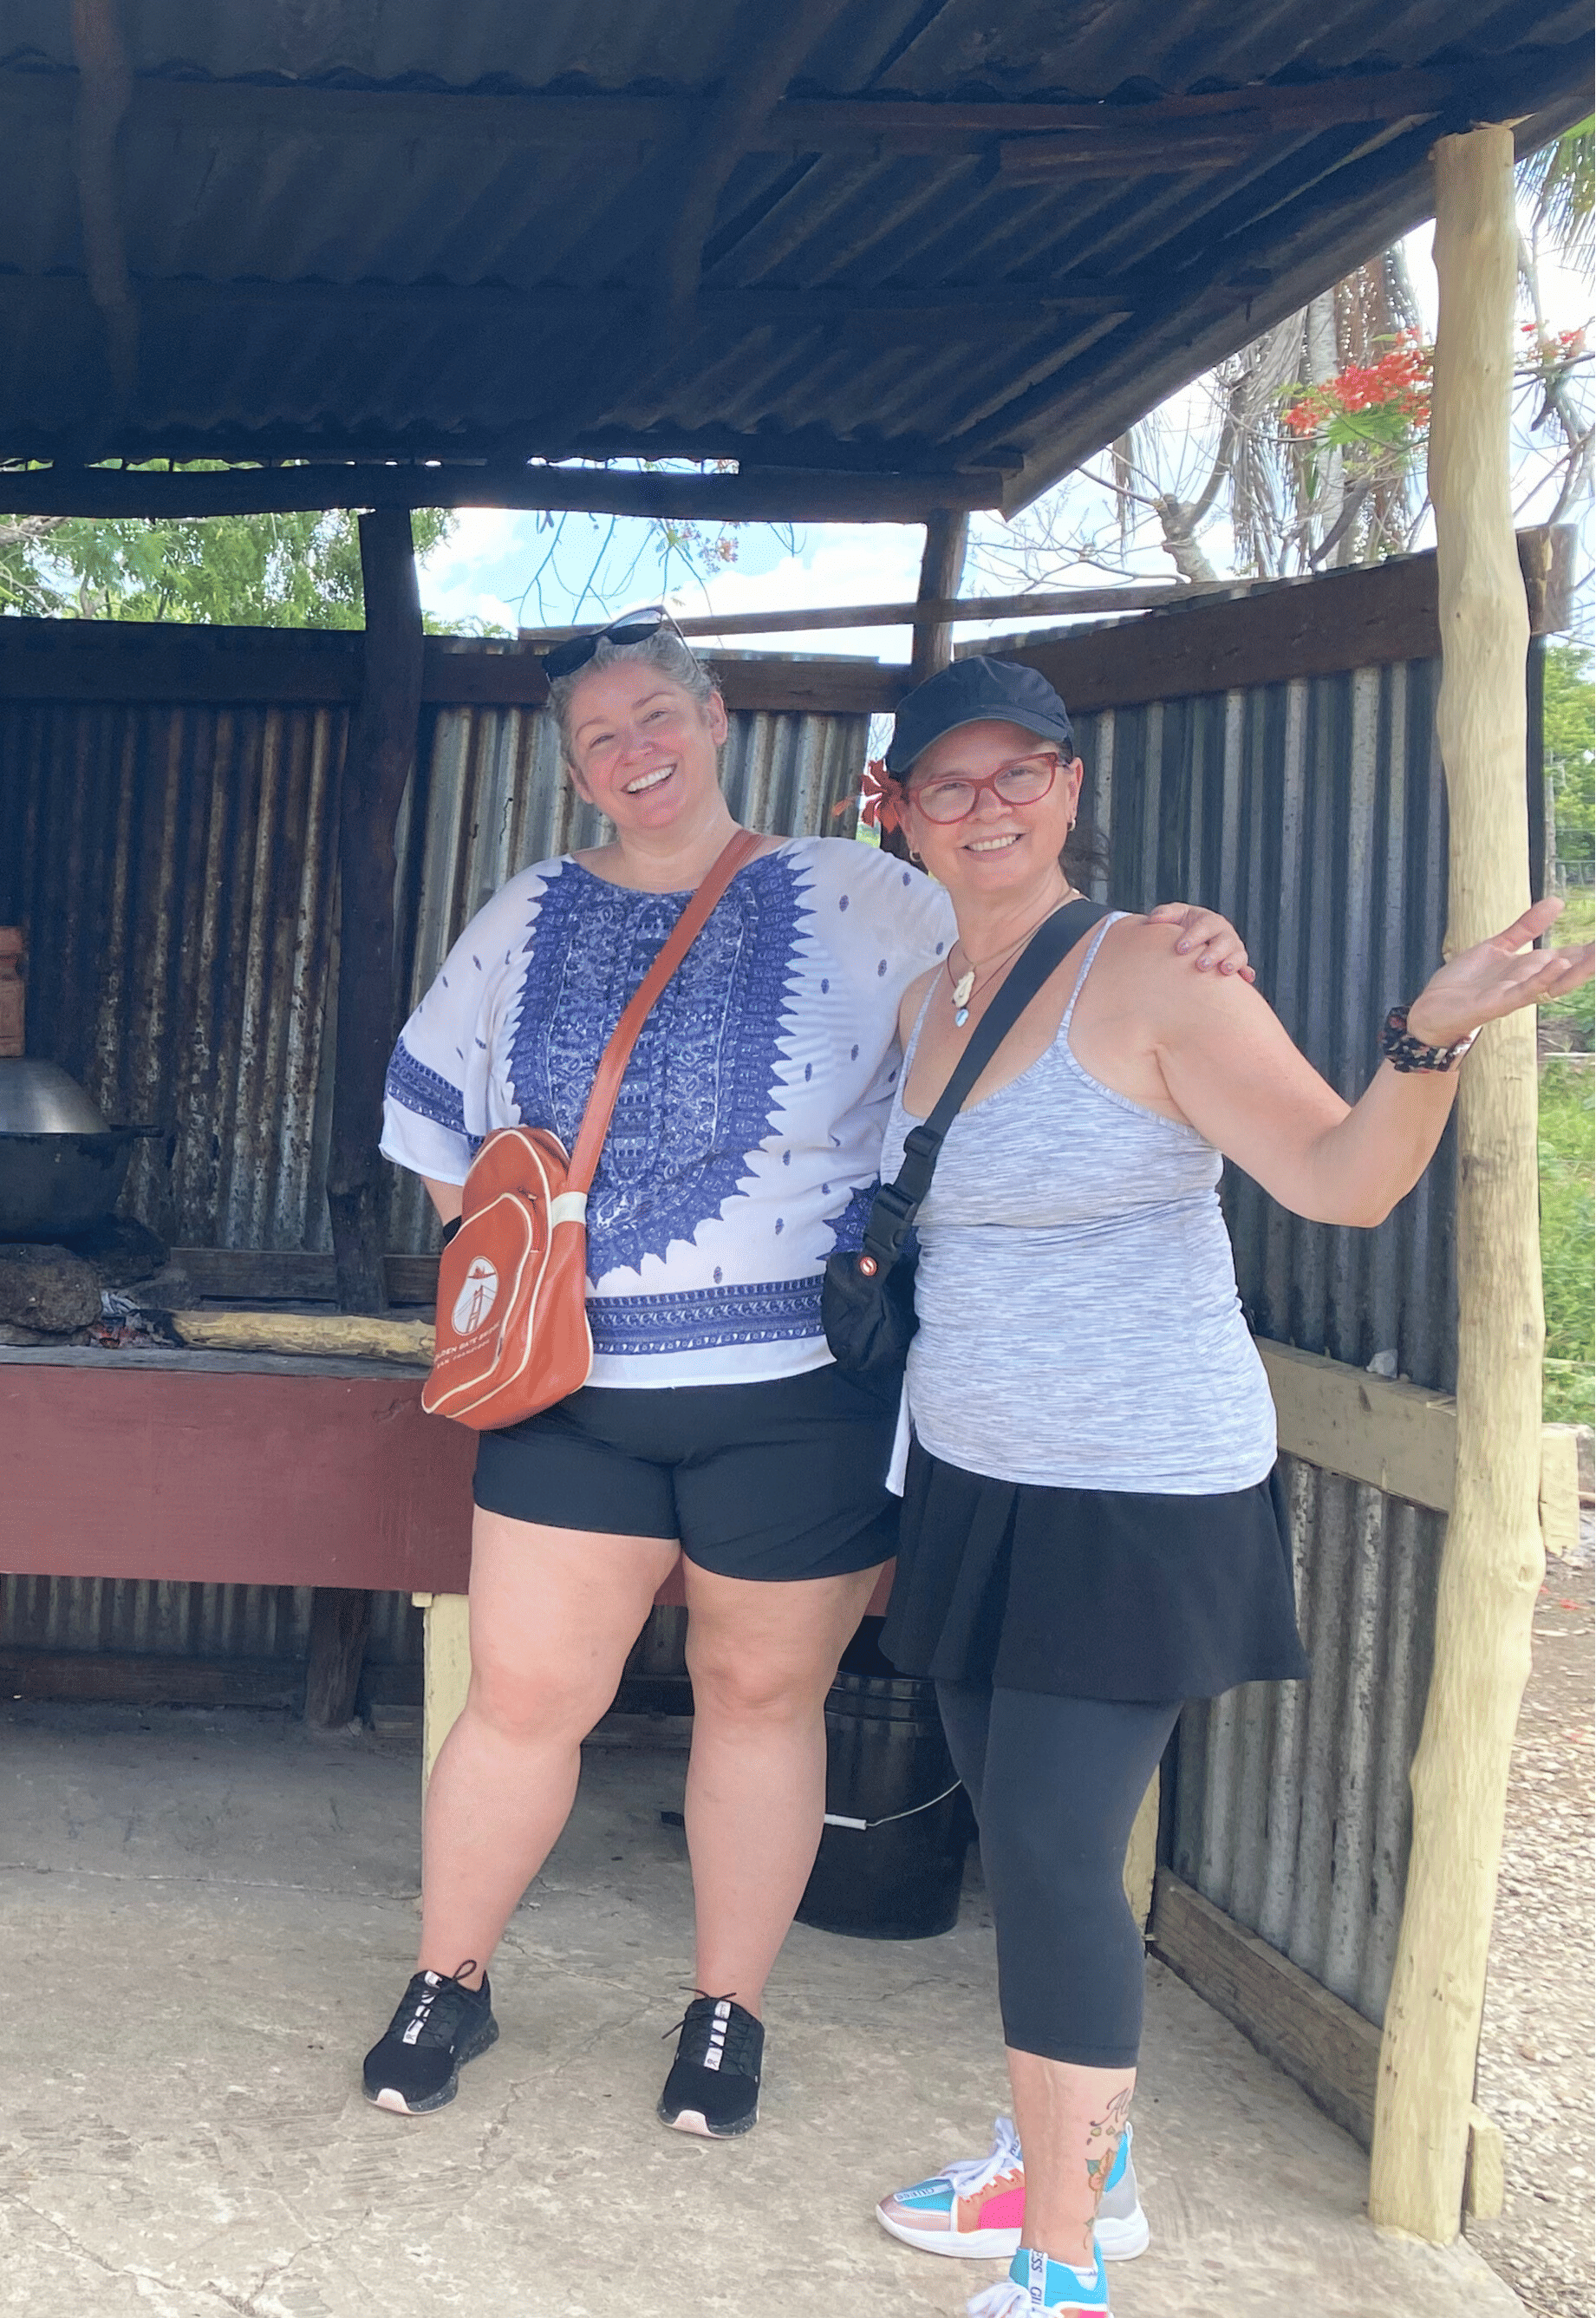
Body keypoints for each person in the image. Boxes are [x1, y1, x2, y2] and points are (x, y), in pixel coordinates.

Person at [364, 610, 1247, 2140]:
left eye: (657, 718)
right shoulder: (521, 915)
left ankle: (728, 2009)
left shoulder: (873, 895)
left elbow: (1029, 978)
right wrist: (523, 1275)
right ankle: (452, 1976)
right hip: (572, 1395)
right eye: (600, 738)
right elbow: (435, 1121)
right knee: (521, 1697)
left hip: (800, 1395)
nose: (635, 753)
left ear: (716, 722)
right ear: (573, 771)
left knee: (761, 1697)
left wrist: (1185, 944)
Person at [855, 655, 1588, 2318]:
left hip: (1139, 1492)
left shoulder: (1157, 972)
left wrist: (1425, 1037)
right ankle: (1062, 2158)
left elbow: (1343, 1180)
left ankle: (1069, 2283)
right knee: (1009, 1828)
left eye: (1020, 772)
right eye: (948, 784)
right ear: (897, 815)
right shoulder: (931, 987)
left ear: (1071, 788)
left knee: (1048, 1860)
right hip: (975, 1476)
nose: (990, 806)